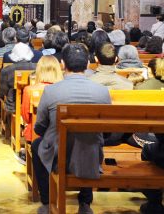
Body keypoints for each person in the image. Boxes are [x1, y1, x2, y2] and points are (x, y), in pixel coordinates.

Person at [33, 43, 111, 214]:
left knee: (37, 144)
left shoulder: (51, 91)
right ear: (88, 65)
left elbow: (39, 127)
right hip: (90, 158)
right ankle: (85, 202)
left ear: (63, 64)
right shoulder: (102, 92)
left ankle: (47, 200)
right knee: (88, 142)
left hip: (58, 157)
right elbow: (107, 131)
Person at [21, 56, 63, 142]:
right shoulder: (64, 90)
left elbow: (26, 117)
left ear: (39, 70)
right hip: (61, 135)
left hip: (35, 134)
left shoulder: (29, 90)